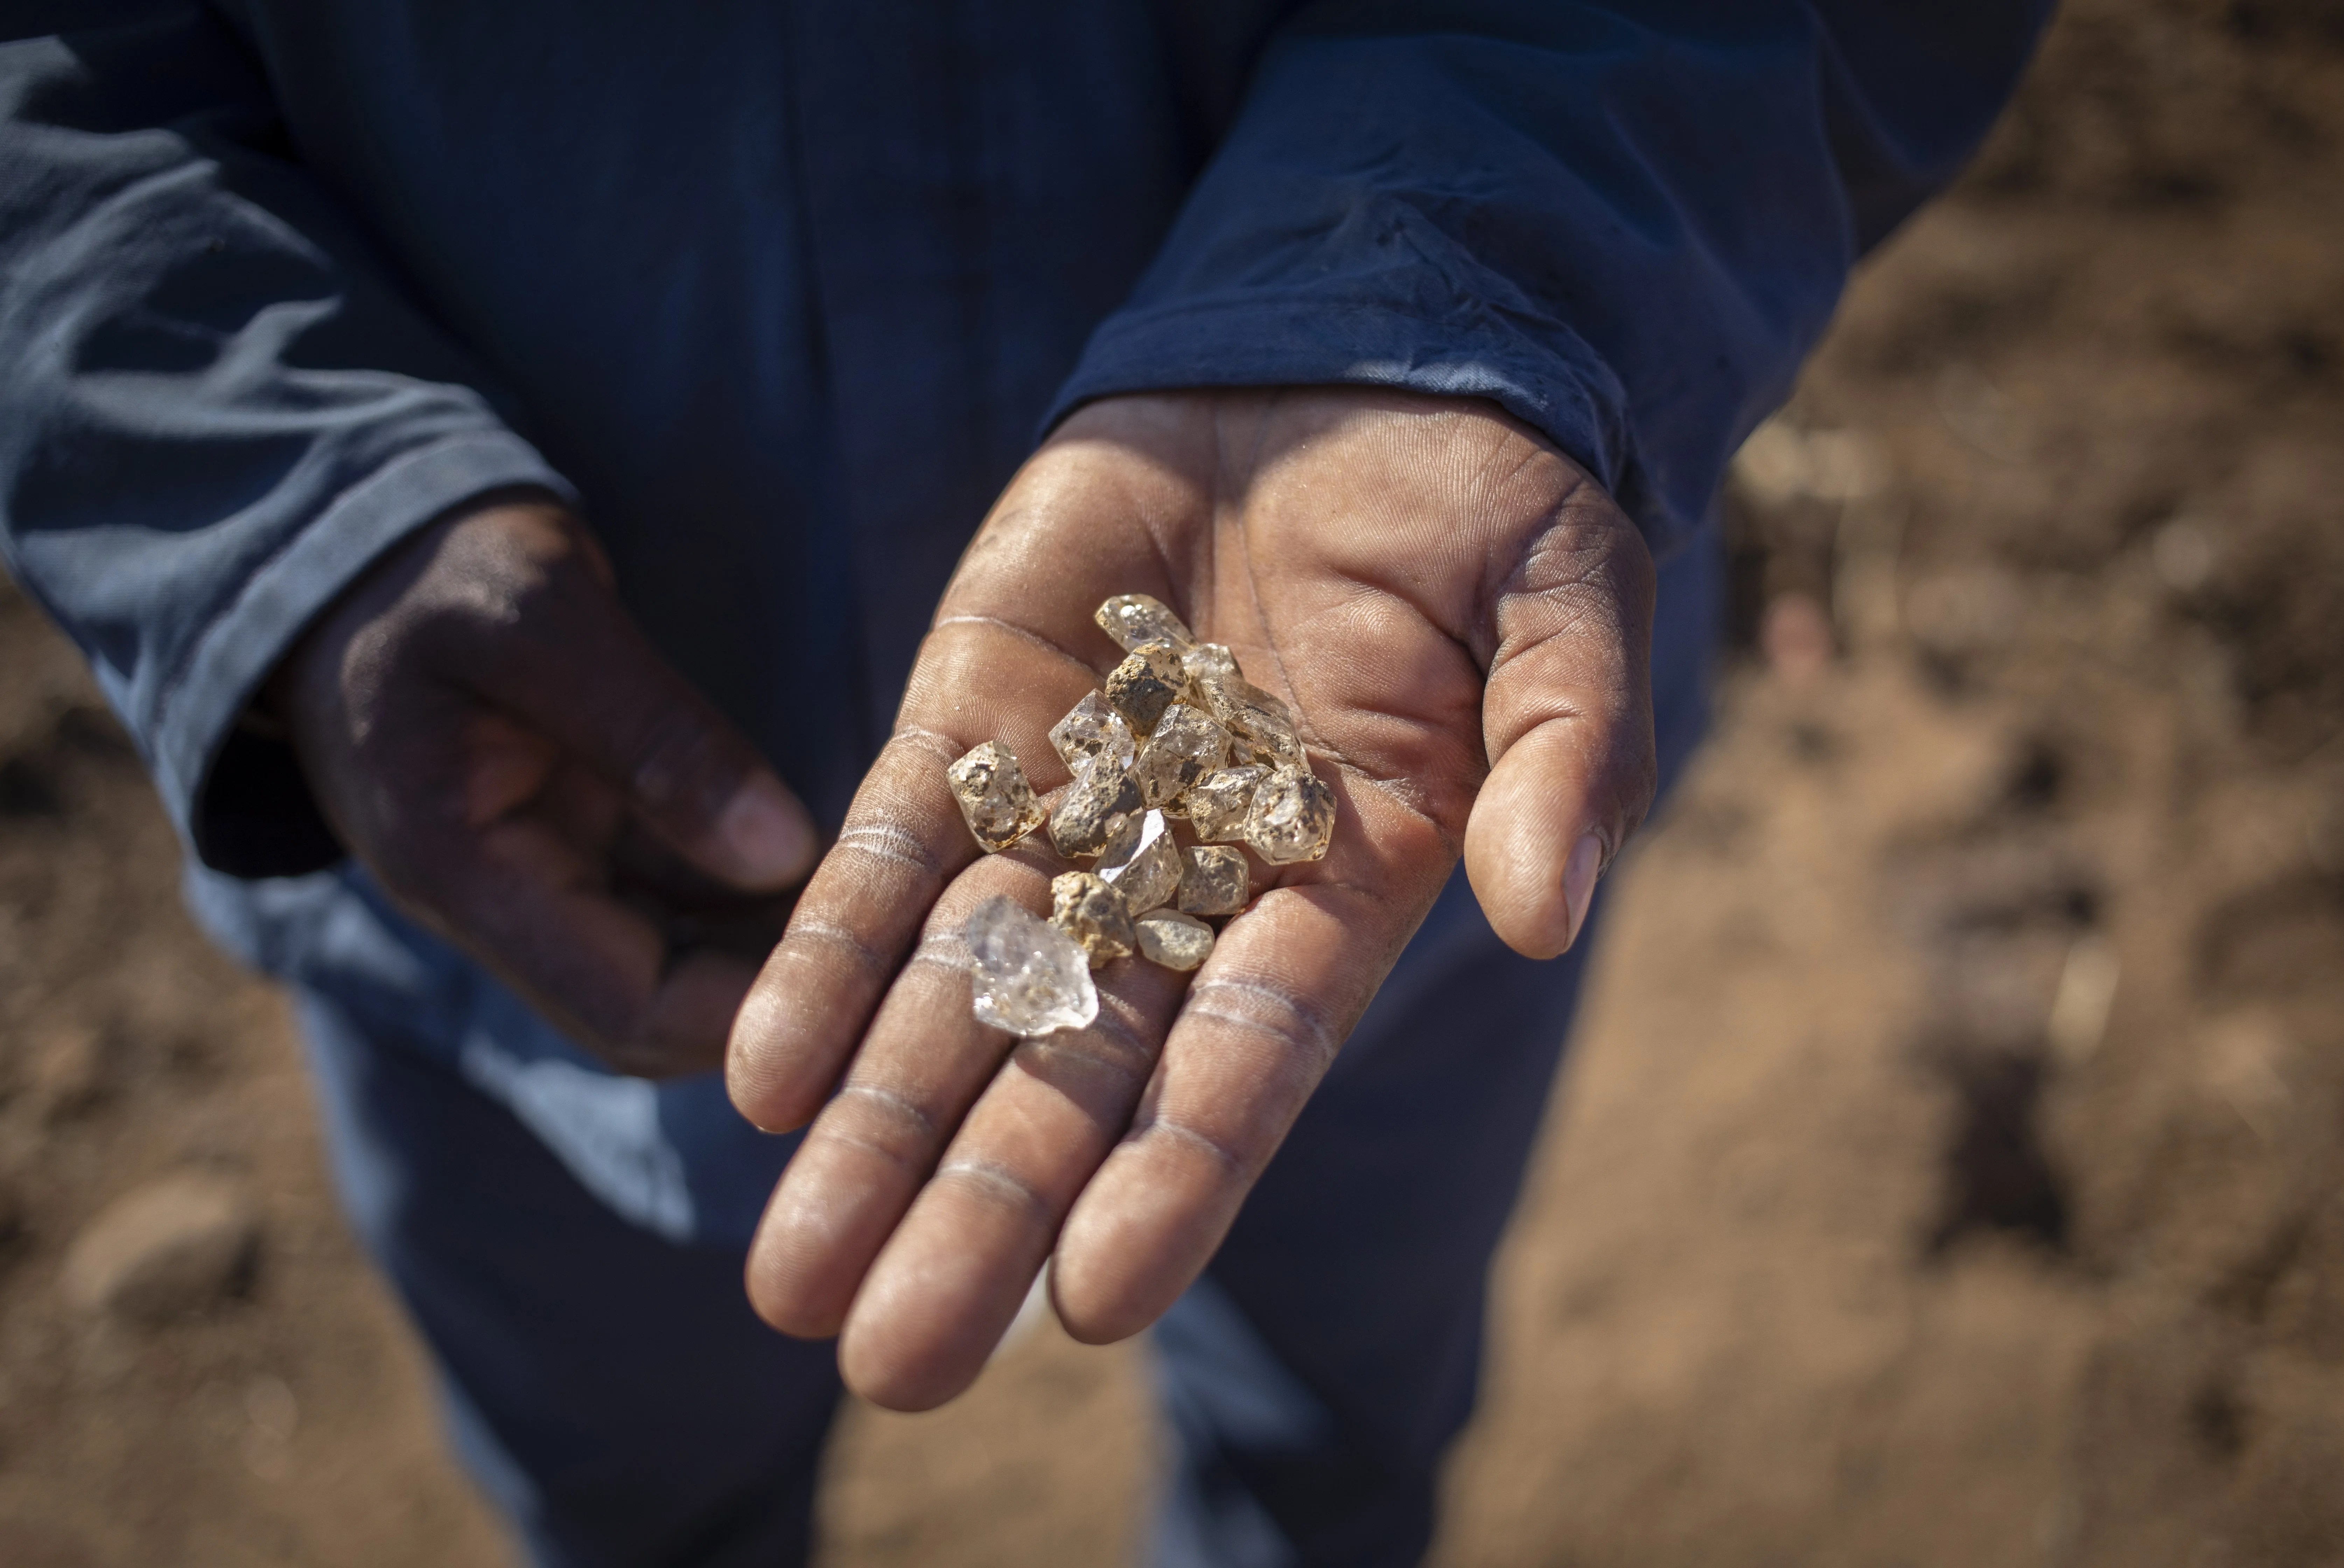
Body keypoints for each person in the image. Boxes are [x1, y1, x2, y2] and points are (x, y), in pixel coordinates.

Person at [0, 4, 2049, 1563]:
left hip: (1388, 839)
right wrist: (294, 507)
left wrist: (1461, 293)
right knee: (631, 1499)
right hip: (516, 896)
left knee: (1338, 1421)